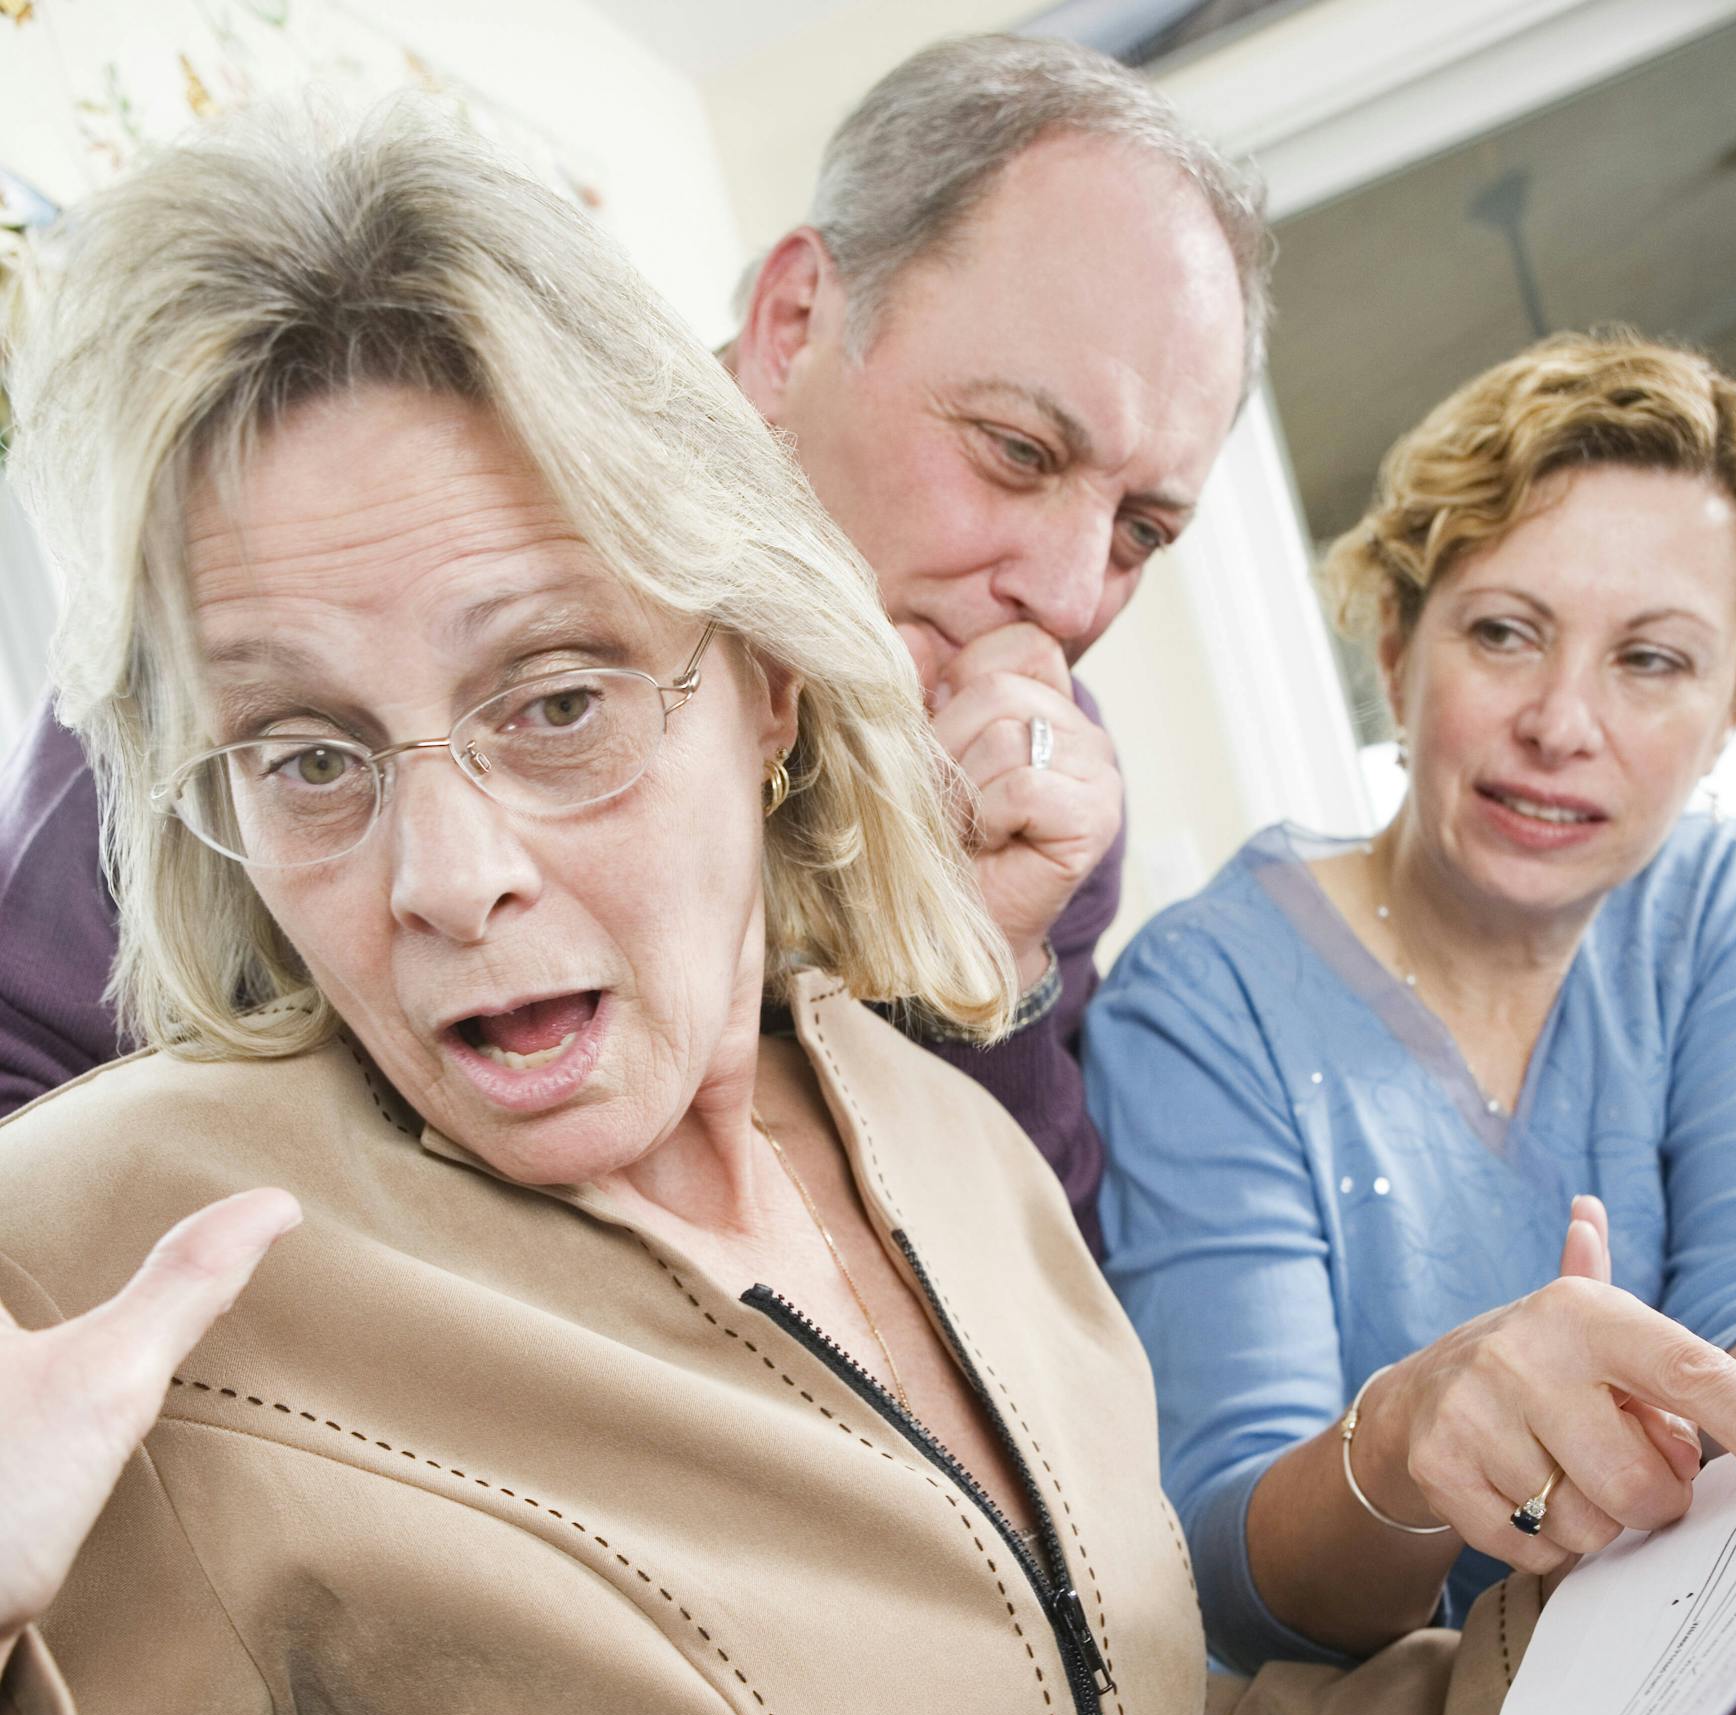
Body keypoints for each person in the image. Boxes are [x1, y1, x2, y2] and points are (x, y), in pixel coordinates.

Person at [10, 108, 1736, 1715]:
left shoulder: (926, 1109)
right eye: (308, 754)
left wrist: (1666, 1587)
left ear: (767, 685)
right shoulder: (131, 1255)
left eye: (554, 699)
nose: (443, 875)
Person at [0, 35, 1262, 1247]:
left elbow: (1039, 1316)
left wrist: (990, 976)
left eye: (1140, 530)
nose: (1067, 595)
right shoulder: (324, 561)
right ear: (793, 319)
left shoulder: (1034, 783)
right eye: (1017, 451)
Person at [1085, 330, 1736, 1715]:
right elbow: (1238, 1584)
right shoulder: (1203, 996)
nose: (1563, 722)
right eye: (1506, 632)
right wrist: (1414, 1433)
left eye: (1653, 659)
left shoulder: (1721, 905)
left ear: (1732, 708)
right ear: (1398, 647)